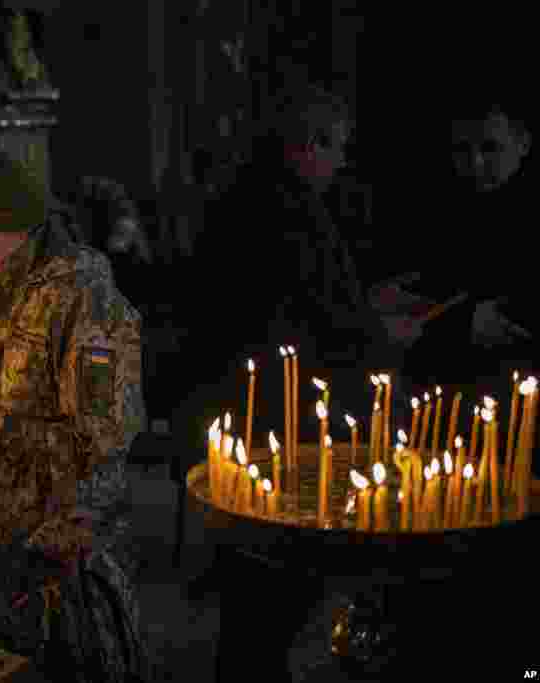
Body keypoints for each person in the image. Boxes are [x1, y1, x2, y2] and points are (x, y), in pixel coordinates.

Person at [170, 83, 404, 681]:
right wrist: (390, 339)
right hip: (280, 415)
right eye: (337, 149)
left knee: (254, 581)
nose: (340, 165)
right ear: (310, 144)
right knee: (275, 585)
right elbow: (340, 317)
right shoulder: (295, 207)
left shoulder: (241, 194)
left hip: (234, 404)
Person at [0, 149, 151, 682]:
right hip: (2, 523)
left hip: (65, 541)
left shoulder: (84, 295)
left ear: (16, 223)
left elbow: (101, 439)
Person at [381, 91, 536, 389]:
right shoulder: (439, 208)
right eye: (462, 150)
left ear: (523, 144)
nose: (475, 163)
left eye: (490, 148)